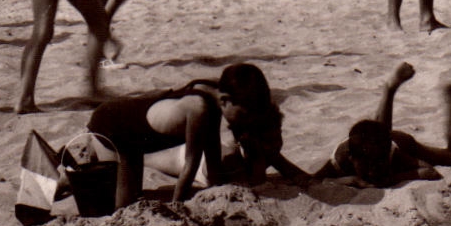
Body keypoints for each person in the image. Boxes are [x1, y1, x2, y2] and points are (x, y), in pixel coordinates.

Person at [87, 63, 307, 209]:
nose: (243, 122)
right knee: (116, 210)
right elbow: (190, 167)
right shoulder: (199, 109)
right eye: (242, 114)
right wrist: (177, 209)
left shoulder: (214, 104)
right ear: (225, 100)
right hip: (112, 128)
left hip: (133, 141)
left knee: (129, 202)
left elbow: (212, 163)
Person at [314, 63, 451, 186]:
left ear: (387, 156)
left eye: (378, 165)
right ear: (351, 158)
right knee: (377, 133)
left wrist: (391, 179)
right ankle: (389, 89)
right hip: (371, 138)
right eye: (366, 166)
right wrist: (346, 181)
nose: (372, 172)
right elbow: (312, 182)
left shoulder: (394, 152)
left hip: (401, 142)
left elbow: (429, 171)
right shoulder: (340, 159)